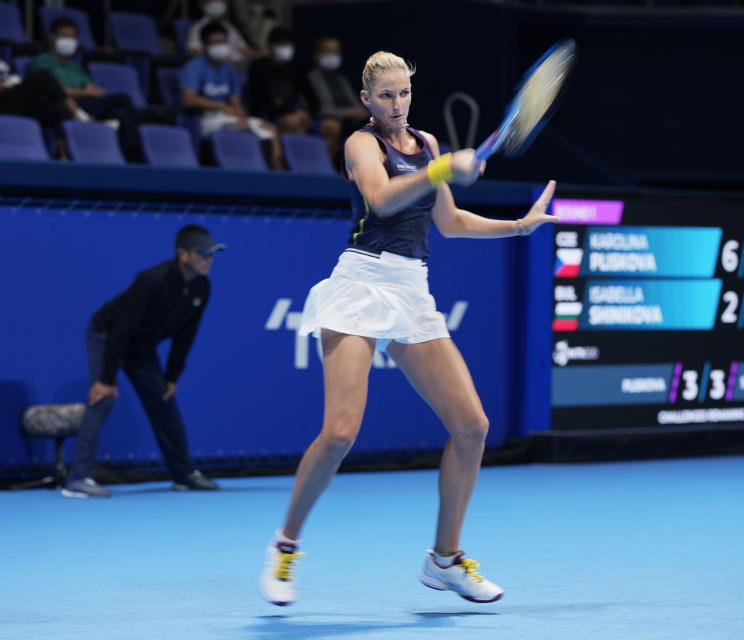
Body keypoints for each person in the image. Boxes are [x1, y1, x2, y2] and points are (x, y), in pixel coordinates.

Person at [258, 50, 558, 606]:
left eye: (405, 94)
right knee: (341, 433)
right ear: (367, 100)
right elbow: (380, 197)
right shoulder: (360, 144)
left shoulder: (426, 144)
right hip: (360, 284)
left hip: (411, 290)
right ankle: (285, 546)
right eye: (387, 96)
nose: (398, 105)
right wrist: (442, 170)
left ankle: (444, 559)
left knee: (472, 425)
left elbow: (448, 222)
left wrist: (519, 226)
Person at [62, 225, 225, 498]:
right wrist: (106, 378)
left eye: (212, 254)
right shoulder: (153, 280)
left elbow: (186, 336)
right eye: (202, 253)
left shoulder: (202, 287)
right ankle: (78, 479)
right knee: (104, 398)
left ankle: (183, 475)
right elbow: (122, 328)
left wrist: (172, 377)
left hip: (141, 347)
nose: (208, 260)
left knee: (164, 398)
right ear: (182, 253)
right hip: (108, 335)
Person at [29, 16, 141, 161]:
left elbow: (89, 86)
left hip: (84, 104)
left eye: (73, 37)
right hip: (58, 106)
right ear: (52, 38)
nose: (69, 41)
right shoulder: (42, 61)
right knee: (122, 100)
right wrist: (85, 92)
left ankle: (129, 153)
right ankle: (134, 153)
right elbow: (52, 89)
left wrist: (92, 90)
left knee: (122, 114)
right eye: (65, 36)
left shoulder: (74, 65)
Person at [181, 21, 283, 170]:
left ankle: (277, 171)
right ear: (204, 45)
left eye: (223, 41)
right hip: (205, 119)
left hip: (229, 117)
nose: (220, 46)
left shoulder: (229, 70)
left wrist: (242, 117)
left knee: (271, 130)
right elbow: (188, 100)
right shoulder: (193, 67)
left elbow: (236, 100)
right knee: (243, 131)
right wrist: (221, 106)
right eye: (215, 42)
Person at [246, 26, 318, 135]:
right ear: (270, 47)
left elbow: (313, 100)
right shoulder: (258, 67)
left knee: (326, 125)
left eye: (288, 44)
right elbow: (258, 103)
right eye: (281, 44)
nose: (285, 48)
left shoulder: (296, 68)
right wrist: (288, 115)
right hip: (268, 117)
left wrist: (306, 113)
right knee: (294, 123)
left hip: (294, 116)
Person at [307, 36, 369, 161]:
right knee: (332, 126)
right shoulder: (310, 79)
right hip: (322, 121)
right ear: (317, 55)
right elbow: (315, 109)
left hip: (349, 122)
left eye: (335, 52)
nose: (332, 56)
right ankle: (326, 168)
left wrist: (361, 111)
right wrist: (345, 112)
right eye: (328, 52)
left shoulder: (341, 80)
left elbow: (355, 104)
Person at [186, 0, 256, 67]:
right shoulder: (198, 27)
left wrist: (258, 56)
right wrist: (219, 58)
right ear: (204, 4)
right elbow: (192, 51)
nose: (217, 2)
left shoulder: (229, 26)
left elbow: (244, 48)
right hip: (219, 64)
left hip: (239, 62)